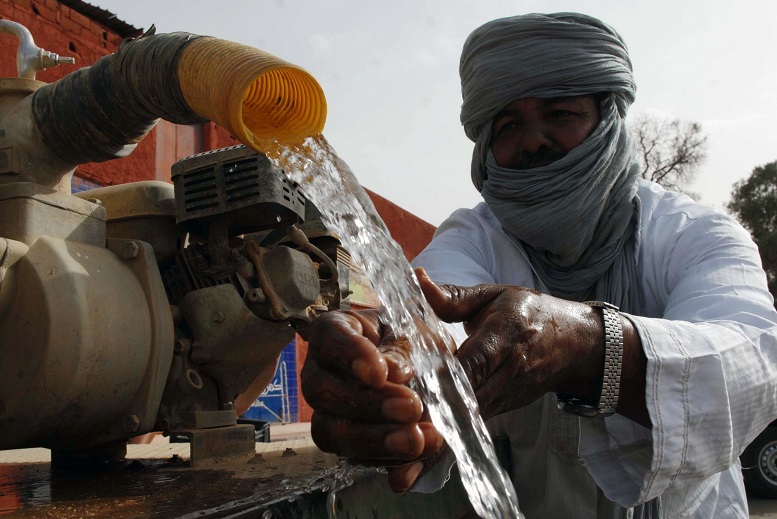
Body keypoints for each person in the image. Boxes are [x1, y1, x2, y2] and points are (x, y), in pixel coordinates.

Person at [300, 12, 777, 518]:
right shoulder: (474, 237)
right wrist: (391, 364)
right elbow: (434, 310)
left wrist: (589, 348)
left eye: (561, 113)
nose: (532, 140)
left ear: (608, 118)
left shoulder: (694, 235)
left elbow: (753, 365)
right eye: (508, 125)